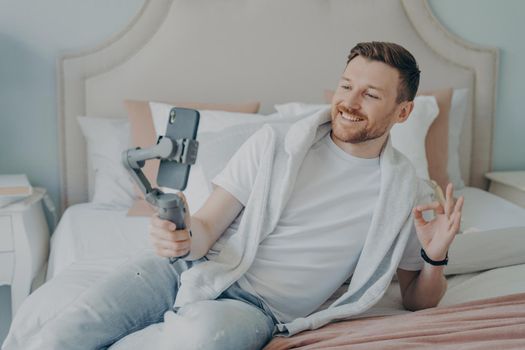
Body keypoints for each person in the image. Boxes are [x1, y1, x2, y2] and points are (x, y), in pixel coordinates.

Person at [7, 41, 463, 350]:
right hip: (190, 269)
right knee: (68, 326)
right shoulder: (274, 145)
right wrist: (183, 236)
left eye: (369, 95)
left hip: (256, 309)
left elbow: (416, 300)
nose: (349, 101)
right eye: (346, 86)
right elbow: (205, 228)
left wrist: (434, 257)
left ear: (403, 112)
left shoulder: (409, 195)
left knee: (199, 339)